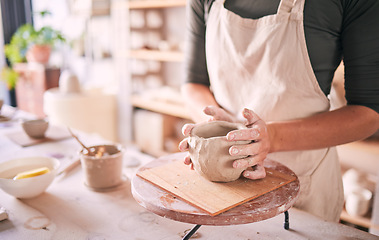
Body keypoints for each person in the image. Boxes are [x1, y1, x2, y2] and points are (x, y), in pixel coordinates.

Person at [178, 0, 379, 222]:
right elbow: (193, 84)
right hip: (228, 178)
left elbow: (368, 114)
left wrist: (270, 138)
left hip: (303, 184)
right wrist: (215, 127)